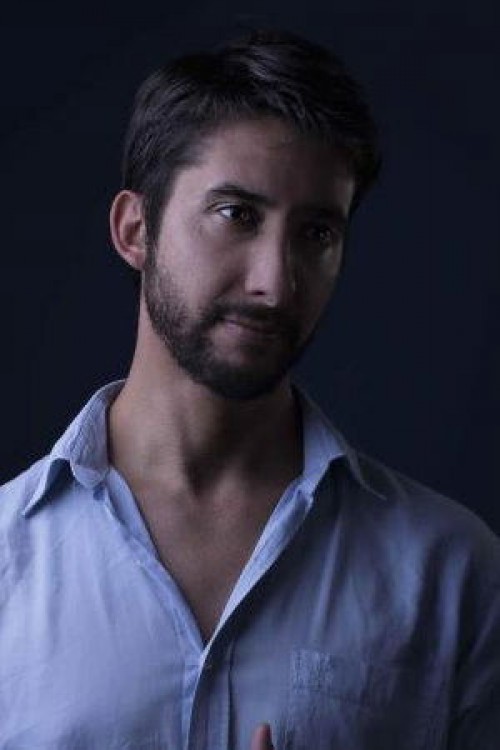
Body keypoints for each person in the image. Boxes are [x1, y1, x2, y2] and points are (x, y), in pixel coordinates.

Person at [0, 28, 499, 750]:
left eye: (317, 233)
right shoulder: (7, 559)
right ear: (135, 229)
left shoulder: (451, 574)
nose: (276, 282)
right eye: (237, 215)